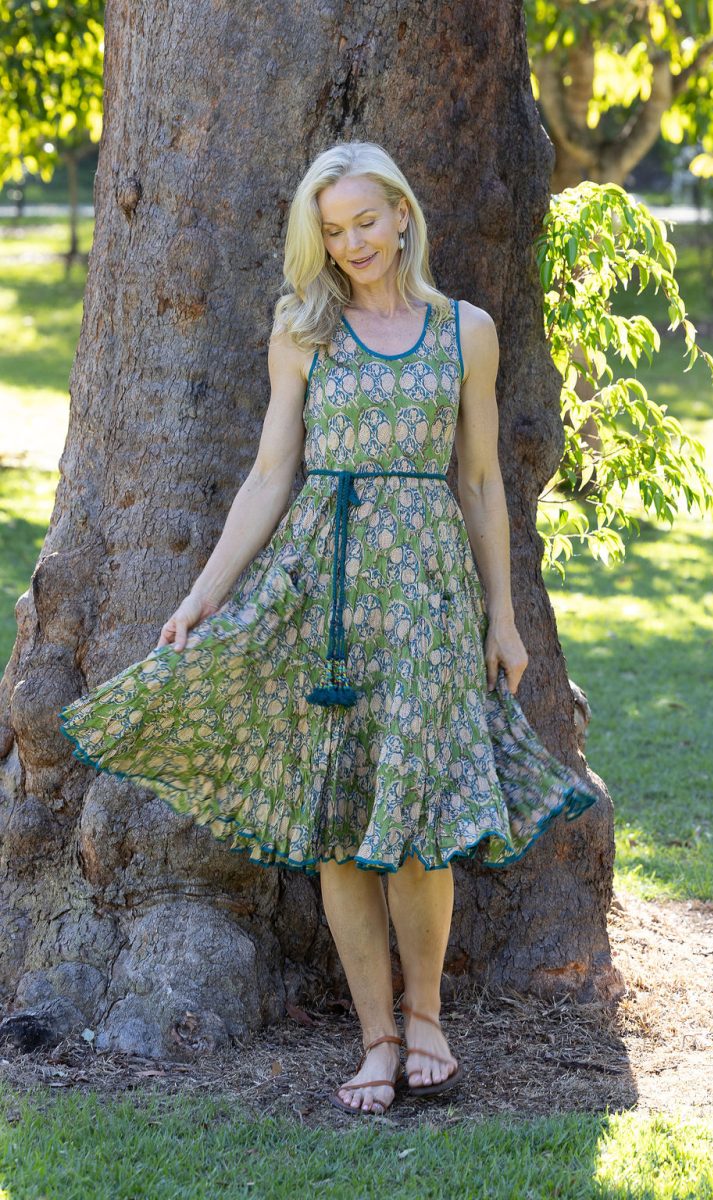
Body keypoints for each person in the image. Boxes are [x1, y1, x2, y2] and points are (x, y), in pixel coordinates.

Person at [58, 141, 600, 1119]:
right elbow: (273, 473)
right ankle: (376, 1038)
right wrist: (204, 594)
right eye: (332, 229)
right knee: (343, 828)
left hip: (429, 592)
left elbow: (479, 481)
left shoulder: (461, 331)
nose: (351, 243)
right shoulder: (303, 328)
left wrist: (503, 619)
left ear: (400, 215)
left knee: (419, 825)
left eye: (364, 221)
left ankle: (427, 1015)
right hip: (328, 585)